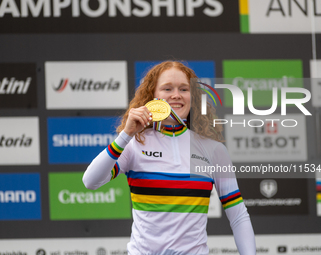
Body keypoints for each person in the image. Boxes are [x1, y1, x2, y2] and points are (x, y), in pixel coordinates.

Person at [83, 61, 256, 255]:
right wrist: (125, 134)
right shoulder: (133, 145)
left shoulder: (213, 150)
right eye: (167, 88)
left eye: (184, 89)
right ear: (153, 96)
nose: (176, 95)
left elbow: (238, 216)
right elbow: (90, 181)